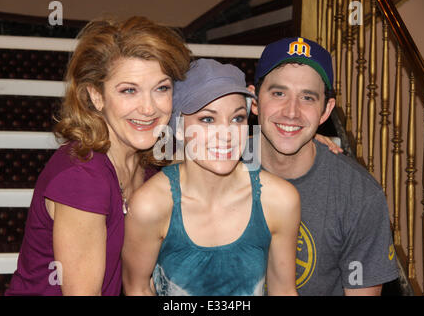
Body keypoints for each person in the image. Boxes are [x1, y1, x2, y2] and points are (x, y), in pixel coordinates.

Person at [5, 16, 191, 296]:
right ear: (96, 96)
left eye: (161, 88)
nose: (149, 108)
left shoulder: (147, 162)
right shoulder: (83, 176)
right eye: (129, 90)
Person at [122, 59, 300, 296]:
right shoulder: (151, 205)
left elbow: (284, 291)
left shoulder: (279, 200)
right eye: (207, 119)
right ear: (179, 126)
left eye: (237, 118)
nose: (226, 135)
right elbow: (138, 289)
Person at [248, 37, 399, 295]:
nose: (292, 112)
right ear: (253, 100)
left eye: (307, 97)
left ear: (326, 110)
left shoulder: (359, 195)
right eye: (278, 93)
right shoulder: (217, 165)